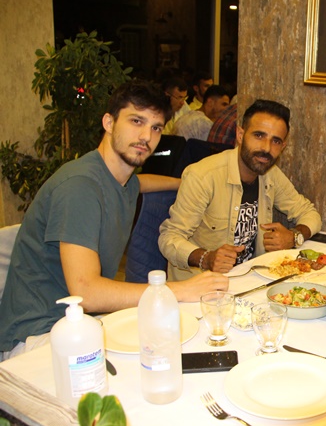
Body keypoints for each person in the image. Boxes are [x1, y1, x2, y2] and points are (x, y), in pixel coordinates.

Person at [0, 80, 230, 360]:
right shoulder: (79, 188)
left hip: (81, 324)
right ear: (109, 122)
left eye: (156, 128)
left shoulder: (120, 181)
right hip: (38, 337)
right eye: (136, 121)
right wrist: (179, 290)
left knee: (178, 340)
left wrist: (185, 183)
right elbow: (87, 293)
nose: (146, 136)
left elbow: (140, 183)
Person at [159, 99, 322, 281]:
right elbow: (169, 238)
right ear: (240, 135)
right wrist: (206, 258)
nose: (266, 148)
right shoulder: (203, 176)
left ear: (283, 146)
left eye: (275, 141)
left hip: (251, 280)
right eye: (259, 136)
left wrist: (294, 236)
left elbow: (309, 213)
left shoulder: (270, 174)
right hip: (201, 285)